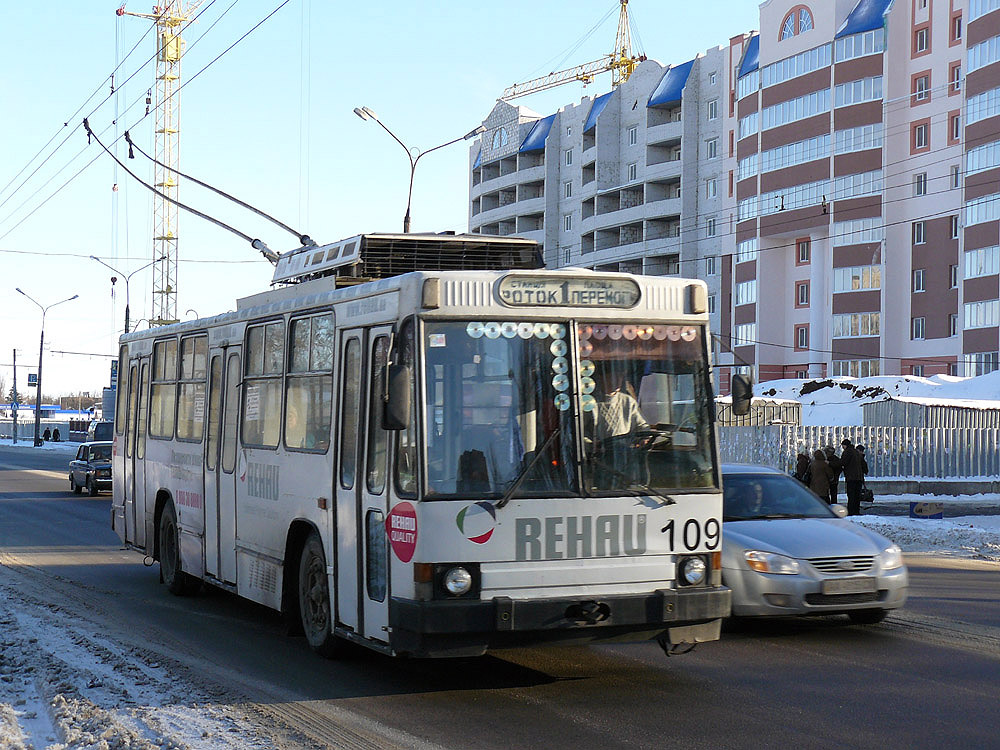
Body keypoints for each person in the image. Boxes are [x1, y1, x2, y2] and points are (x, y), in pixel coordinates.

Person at [840, 438, 865, 516]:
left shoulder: (847, 452)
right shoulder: (856, 452)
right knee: (857, 496)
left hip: (851, 477)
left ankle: (851, 512)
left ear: (845, 445)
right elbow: (863, 465)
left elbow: (843, 462)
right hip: (859, 478)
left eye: (843, 446)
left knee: (851, 495)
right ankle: (856, 511)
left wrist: (831, 463)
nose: (842, 448)